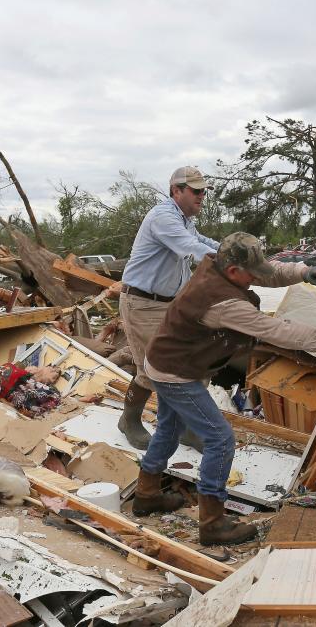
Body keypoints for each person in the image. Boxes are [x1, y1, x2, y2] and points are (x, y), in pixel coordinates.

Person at [133, 232, 316, 545]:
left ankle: (146, 495)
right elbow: (282, 333)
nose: (258, 276)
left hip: (164, 360)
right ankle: (213, 524)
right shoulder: (225, 303)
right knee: (220, 439)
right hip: (175, 373)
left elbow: (267, 272)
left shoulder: (218, 264)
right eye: (252, 273)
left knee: (167, 429)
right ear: (234, 272)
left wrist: (302, 272)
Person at [117, 166, 220, 451]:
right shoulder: (163, 217)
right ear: (176, 190)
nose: (202, 195)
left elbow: (201, 240)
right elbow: (191, 247)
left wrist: (232, 249)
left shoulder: (185, 219)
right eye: (195, 190)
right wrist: (226, 260)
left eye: (204, 190)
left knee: (193, 364)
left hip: (171, 304)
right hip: (143, 303)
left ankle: (185, 427)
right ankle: (129, 420)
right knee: (151, 370)